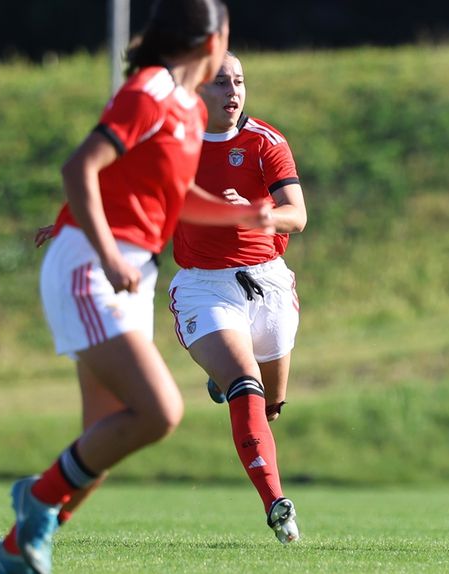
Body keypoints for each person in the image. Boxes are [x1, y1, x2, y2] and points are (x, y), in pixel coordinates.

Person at [0, 1, 270, 572]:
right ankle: (36, 499)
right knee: (160, 410)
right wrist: (111, 254)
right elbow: (78, 168)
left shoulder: (186, 112)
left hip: (129, 272)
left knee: (104, 440)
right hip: (92, 266)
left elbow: (174, 198)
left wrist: (245, 215)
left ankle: (16, 552)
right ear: (207, 42)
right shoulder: (150, 92)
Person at [166, 50, 307, 544]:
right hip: (205, 286)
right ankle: (276, 504)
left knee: (270, 407)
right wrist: (72, 220)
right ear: (197, 90)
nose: (233, 92)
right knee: (246, 386)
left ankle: (225, 378)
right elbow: (120, 189)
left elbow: (297, 214)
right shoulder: (173, 143)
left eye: (239, 82)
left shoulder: (265, 142)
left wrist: (255, 215)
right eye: (222, 83)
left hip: (266, 281)